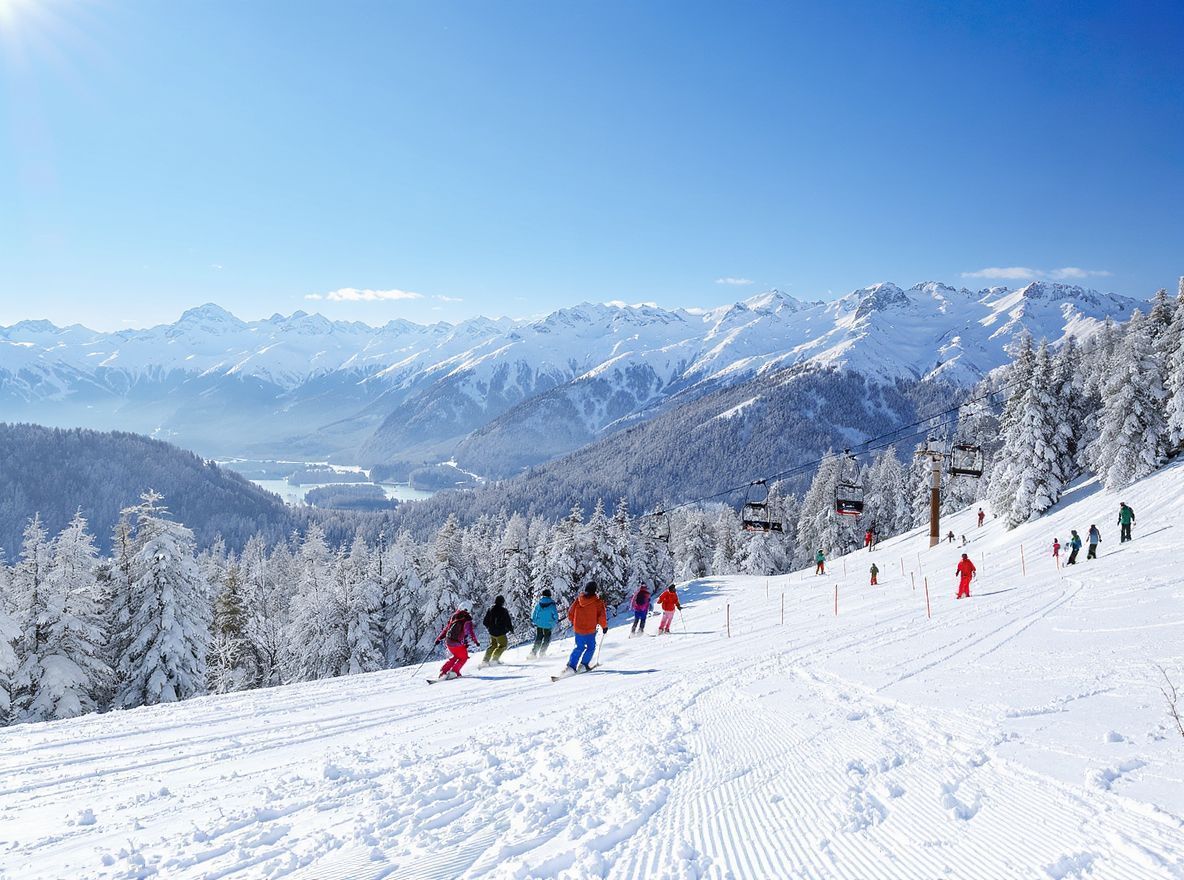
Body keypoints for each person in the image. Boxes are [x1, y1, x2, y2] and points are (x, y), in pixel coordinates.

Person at [565, 583, 608, 673]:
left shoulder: (578, 600)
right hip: (590, 630)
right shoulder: (597, 602)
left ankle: (571, 667)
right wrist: (604, 627)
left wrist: (575, 622)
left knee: (579, 647)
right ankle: (583, 665)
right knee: (591, 647)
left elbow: (570, 612)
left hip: (578, 629)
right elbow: (601, 617)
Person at [435, 608, 479, 680]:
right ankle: (454, 672)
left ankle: (443, 671)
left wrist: (438, 639)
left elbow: (446, 629)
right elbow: (470, 633)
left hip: (448, 642)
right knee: (464, 658)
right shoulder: (467, 621)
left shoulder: (454, 618)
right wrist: (476, 642)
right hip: (457, 643)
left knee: (456, 656)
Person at [479, 595, 513, 667]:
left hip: (492, 632)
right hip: (500, 632)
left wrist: (489, 627)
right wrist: (510, 629)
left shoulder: (490, 609)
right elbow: (508, 621)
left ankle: (485, 660)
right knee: (503, 645)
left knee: (493, 645)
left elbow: (485, 621)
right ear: (502, 602)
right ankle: (495, 659)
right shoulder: (504, 610)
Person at [530, 589, 558, 657]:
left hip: (539, 624)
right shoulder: (552, 604)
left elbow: (534, 613)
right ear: (550, 595)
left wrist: (535, 621)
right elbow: (555, 615)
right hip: (548, 624)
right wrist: (554, 622)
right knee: (546, 639)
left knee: (538, 638)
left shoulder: (539, 603)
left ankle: (533, 653)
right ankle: (542, 653)